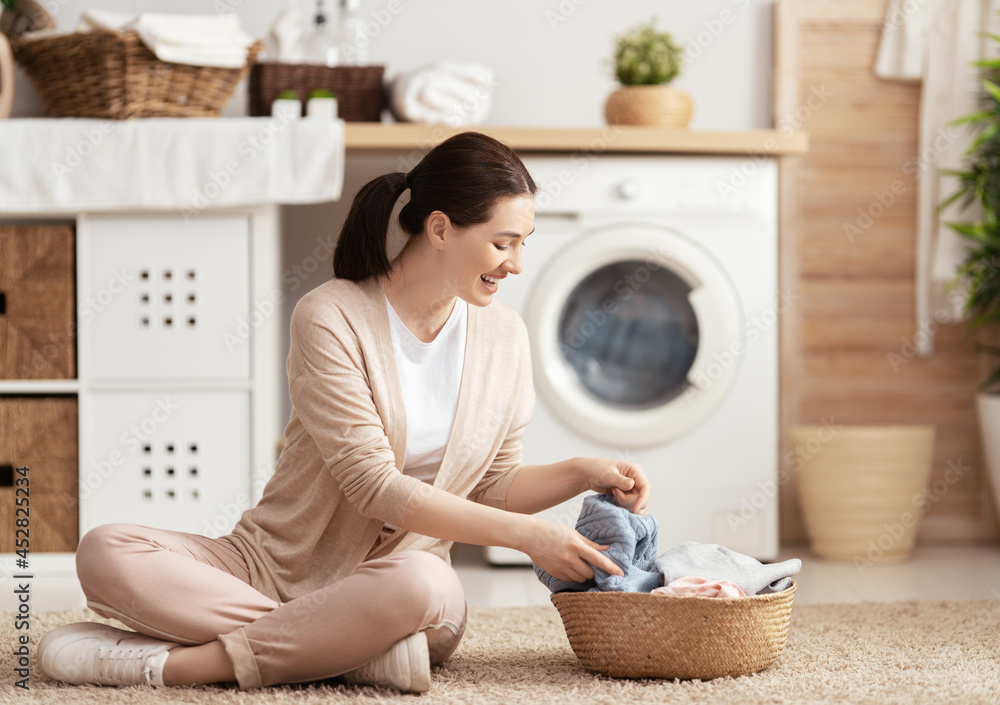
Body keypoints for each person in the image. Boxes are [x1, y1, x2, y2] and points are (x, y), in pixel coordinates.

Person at [36, 132, 651, 693]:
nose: (515, 263)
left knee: (426, 583)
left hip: (400, 591)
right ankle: (346, 651)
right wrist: (529, 540)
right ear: (439, 229)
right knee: (105, 550)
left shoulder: (504, 337)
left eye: (523, 244)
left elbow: (490, 486)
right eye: (502, 242)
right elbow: (373, 486)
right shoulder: (332, 315)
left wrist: (580, 471)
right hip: (267, 566)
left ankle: (180, 666)